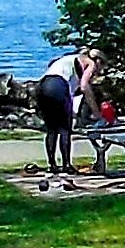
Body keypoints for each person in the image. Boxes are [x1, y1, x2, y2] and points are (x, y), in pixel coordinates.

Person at [34, 52, 78, 184]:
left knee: (51, 129)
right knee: (65, 129)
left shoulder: (58, 65)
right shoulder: (76, 69)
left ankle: (52, 164)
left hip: (42, 86)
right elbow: (71, 94)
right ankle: (66, 165)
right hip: (58, 87)